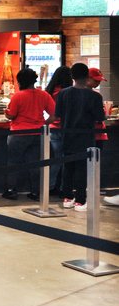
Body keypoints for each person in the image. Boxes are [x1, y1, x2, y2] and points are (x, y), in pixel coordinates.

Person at [53, 63, 106, 211]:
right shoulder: (95, 96)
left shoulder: (63, 93)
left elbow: (58, 114)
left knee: (68, 166)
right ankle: (80, 200)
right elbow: (99, 117)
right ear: (87, 76)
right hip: (86, 136)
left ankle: (67, 197)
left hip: (67, 135)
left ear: (72, 76)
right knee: (82, 169)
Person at [3, 68, 54, 200]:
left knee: (13, 162)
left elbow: (12, 115)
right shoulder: (44, 95)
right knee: (35, 163)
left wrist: (6, 113)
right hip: (38, 133)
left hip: (18, 134)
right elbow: (54, 114)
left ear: (20, 81)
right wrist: (44, 125)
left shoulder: (18, 96)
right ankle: (35, 192)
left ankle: (11, 190)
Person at [44, 65, 73, 192]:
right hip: (67, 128)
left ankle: (50, 186)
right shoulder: (69, 92)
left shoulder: (50, 91)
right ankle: (62, 187)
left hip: (53, 128)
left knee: (56, 159)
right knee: (66, 159)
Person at [87, 67, 109, 151]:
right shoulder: (95, 96)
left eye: (99, 81)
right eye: (96, 81)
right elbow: (100, 116)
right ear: (88, 78)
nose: (98, 83)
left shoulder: (96, 95)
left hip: (98, 133)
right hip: (92, 133)